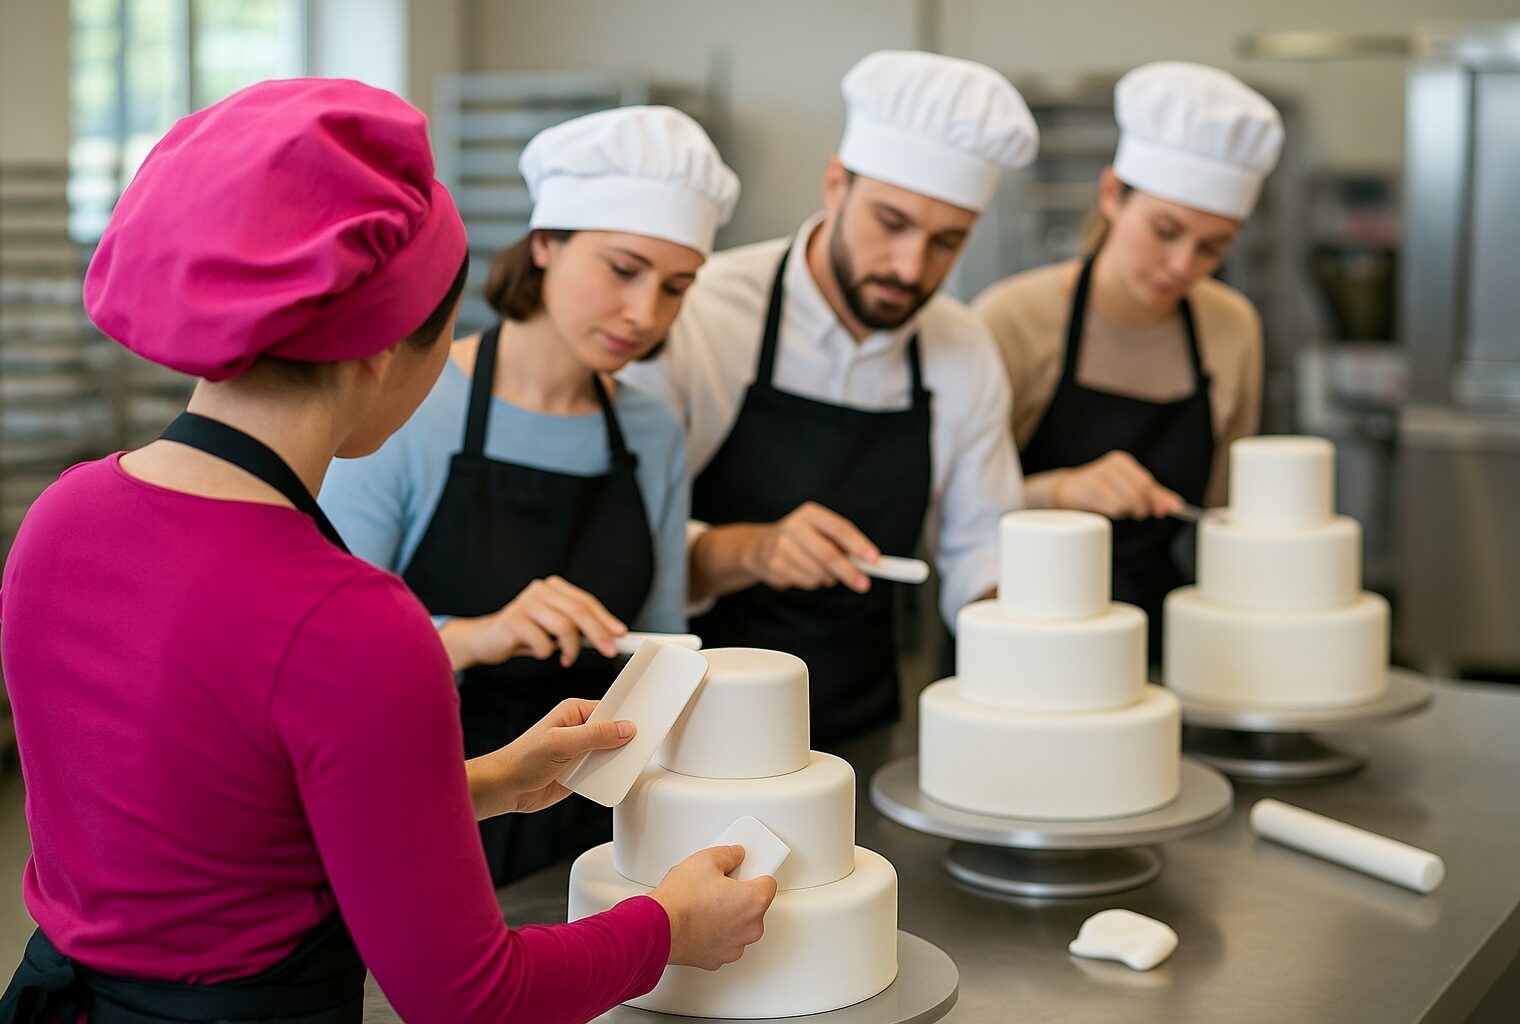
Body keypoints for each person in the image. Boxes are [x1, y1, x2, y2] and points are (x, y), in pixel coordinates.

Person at [0, 79, 772, 1024]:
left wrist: (486, 780)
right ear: (383, 344)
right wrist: (667, 928)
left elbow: (223, 825)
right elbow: (470, 996)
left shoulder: (64, 516)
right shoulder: (352, 621)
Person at [319, 105, 738, 887]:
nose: (645, 314)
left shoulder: (650, 429)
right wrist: (478, 635)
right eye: (622, 269)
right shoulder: (409, 405)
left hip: (602, 822)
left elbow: (664, 648)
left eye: (677, 287)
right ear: (544, 243)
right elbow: (327, 669)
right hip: (432, 809)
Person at [621, 51, 1037, 744]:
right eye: (892, 223)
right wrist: (753, 550)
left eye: (946, 242)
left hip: (862, 720)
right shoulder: (704, 315)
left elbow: (977, 548)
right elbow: (628, 544)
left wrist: (1031, 642)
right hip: (692, 725)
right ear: (836, 183)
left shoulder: (962, 349)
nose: (911, 267)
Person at [972, 62, 1283, 659]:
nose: (1181, 265)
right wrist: (1059, 492)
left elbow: (1219, 519)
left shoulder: (1232, 328)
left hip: (1164, 641)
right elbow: (952, 517)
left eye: (1212, 247)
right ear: (1112, 194)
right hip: (1025, 636)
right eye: (1165, 230)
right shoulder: (1013, 319)